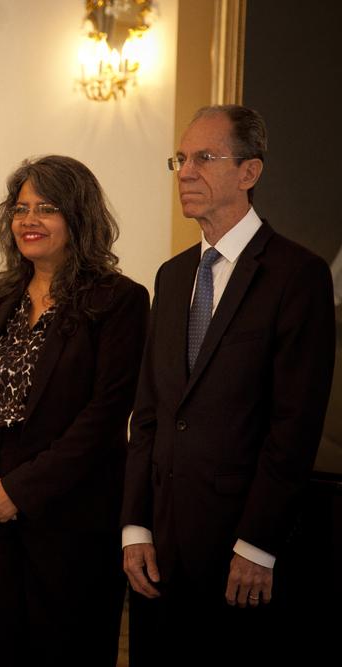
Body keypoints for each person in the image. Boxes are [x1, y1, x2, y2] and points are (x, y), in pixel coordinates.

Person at [121, 105, 336, 665]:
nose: (185, 172)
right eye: (181, 159)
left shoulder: (297, 276)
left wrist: (257, 544)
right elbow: (149, 413)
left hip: (238, 549)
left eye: (205, 158)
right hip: (159, 551)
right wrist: (135, 526)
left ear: (249, 173)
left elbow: (294, 426)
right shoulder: (170, 277)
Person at [0, 155, 149, 665]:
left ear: (78, 218)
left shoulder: (119, 300)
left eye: (47, 208)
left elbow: (104, 416)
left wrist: (20, 490)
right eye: (20, 208)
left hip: (71, 515)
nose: (28, 220)